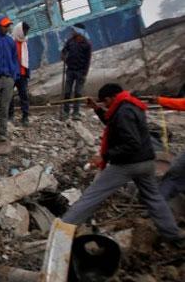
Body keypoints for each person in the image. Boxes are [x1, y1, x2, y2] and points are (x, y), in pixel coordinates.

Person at [62, 83, 184, 247]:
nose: (105, 105)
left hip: (128, 164)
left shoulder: (123, 112)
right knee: (154, 200)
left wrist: (104, 156)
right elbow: (113, 123)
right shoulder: (130, 105)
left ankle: (62, 231)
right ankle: (174, 236)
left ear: (111, 98)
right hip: (147, 162)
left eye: (105, 102)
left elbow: (131, 143)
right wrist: (97, 109)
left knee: (92, 196)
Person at [61, 23, 92, 120]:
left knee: (78, 93)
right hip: (70, 70)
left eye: (74, 30)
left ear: (79, 32)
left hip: (80, 72)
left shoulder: (87, 44)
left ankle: (76, 112)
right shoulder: (70, 41)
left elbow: (88, 60)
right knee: (67, 92)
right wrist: (63, 55)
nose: (72, 32)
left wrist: (84, 73)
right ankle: (66, 112)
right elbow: (64, 50)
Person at [9, 21, 31, 126]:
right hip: (11, 74)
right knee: (9, 96)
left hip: (22, 74)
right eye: (25, 31)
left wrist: (27, 73)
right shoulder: (10, 42)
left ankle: (25, 117)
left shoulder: (24, 42)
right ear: (19, 31)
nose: (26, 33)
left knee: (24, 96)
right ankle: (10, 116)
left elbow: (26, 59)